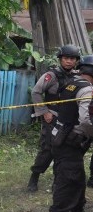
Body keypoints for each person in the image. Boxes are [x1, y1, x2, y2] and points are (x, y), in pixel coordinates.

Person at [48, 55, 93, 212]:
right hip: (69, 141)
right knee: (67, 180)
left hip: (61, 136)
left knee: (78, 178)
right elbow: (85, 120)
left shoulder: (71, 83)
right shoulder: (87, 89)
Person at [27, 44, 81, 192]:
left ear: (76, 61)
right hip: (53, 117)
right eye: (66, 58)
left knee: (64, 149)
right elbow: (36, 92)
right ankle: (35, 176)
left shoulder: (77, 76)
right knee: (48, 148)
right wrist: (44, 112)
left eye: (72, 59)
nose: (69, 61)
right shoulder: (51, 75)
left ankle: (59, 180)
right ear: (60, 59)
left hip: (69, 119)